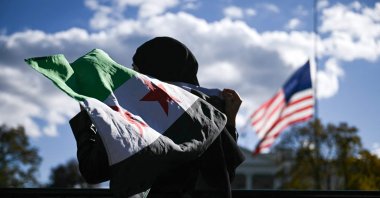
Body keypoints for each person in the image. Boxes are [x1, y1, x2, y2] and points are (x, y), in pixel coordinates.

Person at [70, 36, 244, 198]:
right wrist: (228, 122)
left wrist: (88, 117)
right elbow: (223, 174)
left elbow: (94, 170)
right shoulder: (206, 114)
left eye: (135, 69)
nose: (133, 75)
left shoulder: (133, 116)